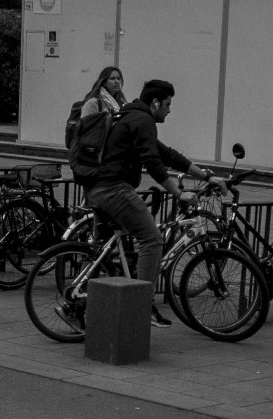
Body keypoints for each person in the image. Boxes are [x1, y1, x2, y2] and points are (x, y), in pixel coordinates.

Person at [80, 78, 212, 327]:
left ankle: (76, 306)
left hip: (97, 188)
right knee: (152, 239)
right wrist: (179, 193)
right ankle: (144, 305)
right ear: (155, 103)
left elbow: (167, 155)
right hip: (114, 189)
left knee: (102, 249)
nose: (170, 110)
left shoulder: (131, 116)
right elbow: (153, 162)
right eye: (168, 104)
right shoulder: (143, 121)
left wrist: (206, 176)